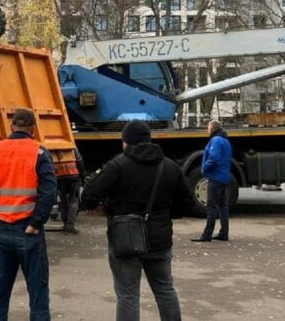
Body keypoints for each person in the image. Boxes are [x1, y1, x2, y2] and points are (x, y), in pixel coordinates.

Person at [80, 120, 194, 321]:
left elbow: (89, 195)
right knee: (165, 290)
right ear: (149, 140)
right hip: (160, 241)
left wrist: (103, 206)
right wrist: (165, 215)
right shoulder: (170, 166)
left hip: (126, 240)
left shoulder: (118, 166)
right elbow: (187, 202)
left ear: (126, 142)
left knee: (127, 295)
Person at [0, 108, 56, 321]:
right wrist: (36, 223)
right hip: (28, 230)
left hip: (0, 229)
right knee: (38, 296)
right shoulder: (38, 152)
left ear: (11, 127)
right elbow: (48, 192)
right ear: (33, 128)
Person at [191, 120, 233, 242]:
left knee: (211, 206)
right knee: (222, 206)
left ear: (213, 129)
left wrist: (205, 168)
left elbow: (213, 158)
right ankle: (223, 233)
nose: (207, 129)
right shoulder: (225, 141)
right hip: (223, 177)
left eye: (208, 127)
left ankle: (207, 234)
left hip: (215, 177)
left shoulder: (216, 140)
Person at [57, 148, 86, 235]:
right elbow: (79, 160)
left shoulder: (52, 146)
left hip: (59, 177)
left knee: (63, 200)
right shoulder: (71, 146)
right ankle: (70, 226)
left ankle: (65, 224)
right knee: (74, 200)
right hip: (73, 176)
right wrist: (83, 175)